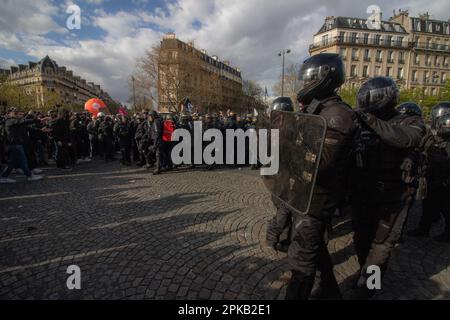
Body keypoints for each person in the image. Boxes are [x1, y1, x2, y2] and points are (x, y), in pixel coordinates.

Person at [283, 53, 357, 300]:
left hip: (319, 198)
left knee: (302, 263)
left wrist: (289, 147)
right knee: (318, 251)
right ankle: (330, 291)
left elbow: (320, 162)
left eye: (309, 80)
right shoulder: (320, 109)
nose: (304, 86)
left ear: (326, 78)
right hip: (308, 195)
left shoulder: (337, 114)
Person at [349, 77, 426, 299]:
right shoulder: (361, 123)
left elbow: (404, 139)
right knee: (361, 239)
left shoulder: (410, 121)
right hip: (364, 191)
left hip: (395, 195)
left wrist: (368, 119)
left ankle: (369, 287)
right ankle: (366, 273)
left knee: (381, 244)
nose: (366, 101)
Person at [408, 103, 450, 242]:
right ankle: (423, 229)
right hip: (431, 174)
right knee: (428, 203)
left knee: (446, 207)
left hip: (445, 178)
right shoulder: (432, 134)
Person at [0, 108, 44, 183]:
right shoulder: (10, 121)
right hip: (15, 145)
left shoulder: (13, 122)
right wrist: (38, 119)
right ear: (9, 113)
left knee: (13, 163)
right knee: (23, 161)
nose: (17, 114)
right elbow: (24, 121)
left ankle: (4, 177)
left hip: (16, 145)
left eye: (17, 112)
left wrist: (40, 130)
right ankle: (29, 176)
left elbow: (27, 127)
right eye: (15, 113)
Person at [148, 110, 163, 175]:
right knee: (159, 154)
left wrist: (155, 144)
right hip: (157, 140)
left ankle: (158, 169)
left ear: (153, 116)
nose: (149, 117)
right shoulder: (155, 121)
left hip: (158, 141)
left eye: (149, 116)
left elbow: (157, 133)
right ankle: (160, 167)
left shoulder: (156, 122)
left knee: (158, 155)